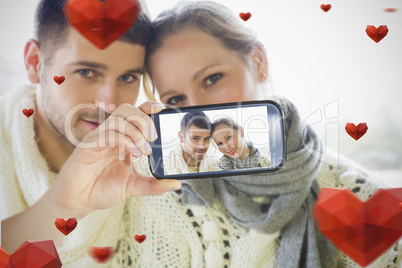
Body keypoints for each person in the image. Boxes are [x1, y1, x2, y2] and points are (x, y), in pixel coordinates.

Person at [142, 1, 402, 267]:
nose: (198, 109)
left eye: (212, 78)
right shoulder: (154, 194)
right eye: (175, 98)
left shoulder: (362, 196)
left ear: (258, 62)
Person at [0, 0, 181, 266]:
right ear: (35, 63)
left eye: (127, 78)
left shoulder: (151, 168)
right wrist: (63, 203)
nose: (108, 103)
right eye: (86, 72)